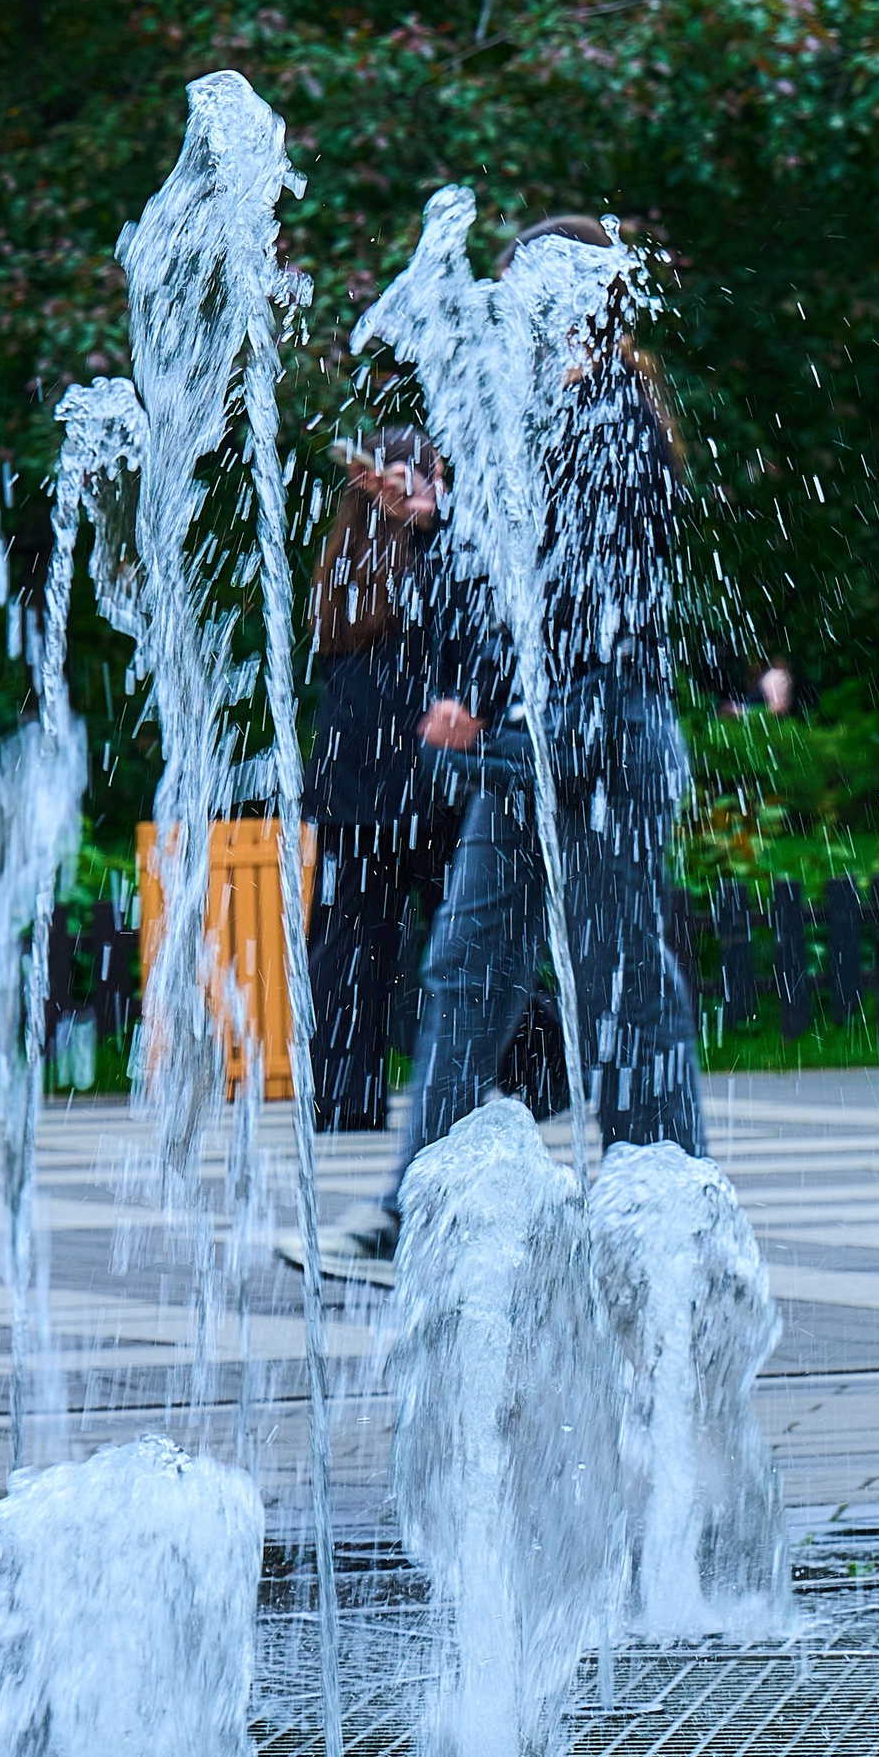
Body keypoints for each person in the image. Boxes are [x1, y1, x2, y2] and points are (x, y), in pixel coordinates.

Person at [314, 214, 701, 1282]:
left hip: (602, 736)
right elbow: (500, 595)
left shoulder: (611, 409)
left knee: (622, 976)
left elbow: (588, 596)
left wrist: (492, 693)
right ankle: (420, 1207)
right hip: (533, 744)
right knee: (466, 970)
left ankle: (668, 1197)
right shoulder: (534, 417)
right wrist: (433, 525)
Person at [299, 429, 509, 1134]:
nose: (424, 487)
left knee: (428, 940)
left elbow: (483, 624)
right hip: (392, 781)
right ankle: (353, 1096)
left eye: (428, 474)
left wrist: (427, 515)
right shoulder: (369, 559)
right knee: (369, 946)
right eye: (409, 476)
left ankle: (357, 1098)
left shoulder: (418, 550)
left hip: (402, 779)